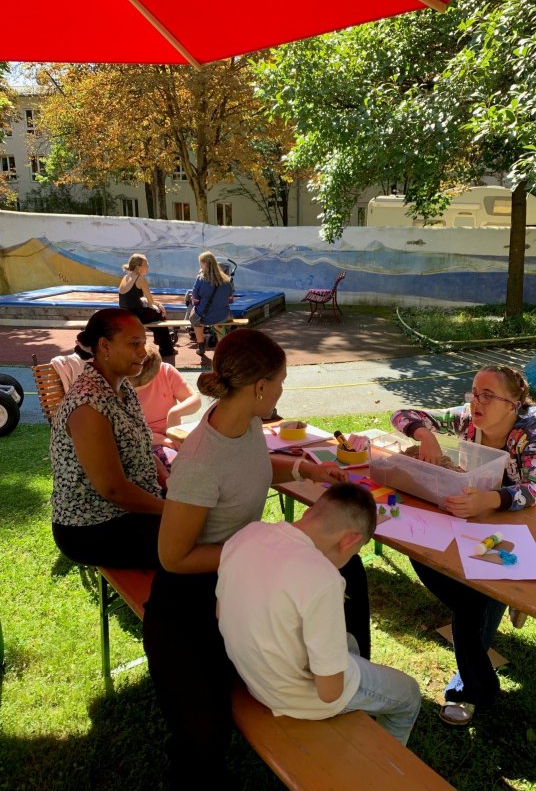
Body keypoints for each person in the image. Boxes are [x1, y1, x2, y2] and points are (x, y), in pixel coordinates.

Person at [142, 328, 371, 790]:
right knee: (205, 735)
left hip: (245, 571)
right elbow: (173, 557)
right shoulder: (200, 462)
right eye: (282, 381)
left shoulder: (243, 422)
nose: (283, 390)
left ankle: (347, 675)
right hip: (190, 600)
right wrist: (256, 551)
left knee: (352, 572)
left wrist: (306, 467)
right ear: (260, 386)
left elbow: (257, 467)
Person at [391, 365, 536, 726]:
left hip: (514, 525)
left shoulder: (531, 428)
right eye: (474, 392)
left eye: (488, 395)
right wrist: (425, 435)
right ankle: (505, 597)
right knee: (429, 563)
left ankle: (468, 690)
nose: (476, 402)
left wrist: (490, 500)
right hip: (466, 518)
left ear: (513, 405)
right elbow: (401, 414)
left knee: (475, 600)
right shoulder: (466, 419)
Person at [216, 482, 421, 746]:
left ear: (309, 514)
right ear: (350, 540)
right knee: (409, 694)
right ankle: (385, 768)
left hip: (253, 676)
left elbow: (221, 613)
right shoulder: (323, 578)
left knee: (349, 644)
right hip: (290, 696)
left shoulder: (248, 535)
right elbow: (329, 693)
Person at [50, 309, 165, 569]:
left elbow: (143, 450)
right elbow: (113, 490)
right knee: (194, 535)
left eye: (143, 344)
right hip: (93, 527)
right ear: (104, 346)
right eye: (134, 344)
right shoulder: (88, 405)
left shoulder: (121, 387)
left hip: (131, 510)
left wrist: (169, 481)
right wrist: (172, 509)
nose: (143, 353)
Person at [129, 344, 202, 468]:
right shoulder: (117, 383)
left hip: (173, 435)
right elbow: (123, 430)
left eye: (142, 384)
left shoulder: (165, 371)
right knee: (174, 466)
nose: (134, 388)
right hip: (139, 439)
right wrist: (160, 440)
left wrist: (175, 412)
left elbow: (195, 400)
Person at [118, 253, 177, 365]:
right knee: (160, 314)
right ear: (138, 267)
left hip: (125, 314)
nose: (148, 267)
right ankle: (167, 349)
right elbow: (150, 302)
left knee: (157, 314)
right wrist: (159, 306)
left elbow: (132, 299)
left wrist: (155, 304)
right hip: (136, 315)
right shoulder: (140, 279)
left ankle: (162, 344)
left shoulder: (126, 277)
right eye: (146, 264)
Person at [189, 251, 232, 368]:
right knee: (219, 322)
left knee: (195, 318)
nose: (200, 266)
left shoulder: (200, 279)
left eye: (200, 264)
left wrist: (195, 304)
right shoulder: (226, 280)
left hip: (205, 316)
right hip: (222, 315)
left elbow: (195, 299)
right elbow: (230, 299)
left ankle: (201, 346)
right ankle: (221, 350)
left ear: (205, 265)